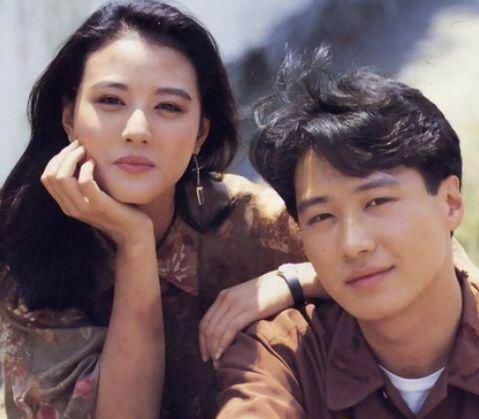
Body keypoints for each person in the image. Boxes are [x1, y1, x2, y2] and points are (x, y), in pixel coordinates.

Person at [0, 2, 325, 417]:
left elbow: (401, 261)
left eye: (168, 107)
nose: (137, 131)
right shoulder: (26, 251)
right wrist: (135, 242)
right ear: (69, 118)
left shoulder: (252, 222)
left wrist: (296, 281)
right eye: (110, 101)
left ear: (200, 133)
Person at [216, 49, 479, 418]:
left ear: (450, 203)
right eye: (322, 217)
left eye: (377, 202)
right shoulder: (278, 357)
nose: (353, 244)